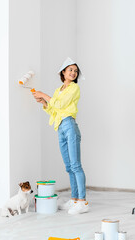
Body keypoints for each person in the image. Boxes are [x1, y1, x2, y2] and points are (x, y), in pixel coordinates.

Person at [32, 57, 89, 215]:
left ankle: (82, 202)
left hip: (70, 126)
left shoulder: (74, 88)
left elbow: (60, 105)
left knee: (76, 165)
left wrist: (44, 95)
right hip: (60, 128)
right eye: (70, 70)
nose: (73, 73)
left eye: (75, 71)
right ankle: (75, 199)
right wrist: (44, 103)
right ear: (63, 72)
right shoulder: (59, 91)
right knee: (69, 167)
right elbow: (53, 110)